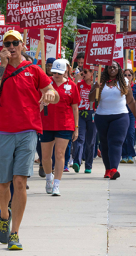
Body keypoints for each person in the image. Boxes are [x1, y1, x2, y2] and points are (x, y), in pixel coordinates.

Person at [0, 30, 59, 250]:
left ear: (23, 45)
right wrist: (1, 65)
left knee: (20, 182)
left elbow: (52, 92)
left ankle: (15, 233)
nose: (11, 46)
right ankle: (4, 215)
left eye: (15, 43)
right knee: (2, 184)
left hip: (28, 131)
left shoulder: (34, 70)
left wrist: (49, 95)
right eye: (7, 43)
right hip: (3, 132)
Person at [89, 61, 136, 180]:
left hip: (120, 116)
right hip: (102, 116)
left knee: (115, 142)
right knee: (105, 144)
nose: (112, 69)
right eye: (109, 67)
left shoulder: (124, 82)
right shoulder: (100, 82)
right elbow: (91, 99)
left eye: (114, 67)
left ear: (119, 69)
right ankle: (107, 169)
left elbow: (131, 101)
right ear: (106, 69)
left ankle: (114, 169)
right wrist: (95, 88)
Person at [40, 59, 80, 195]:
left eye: (59, 72)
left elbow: (75, 108)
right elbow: (37, 103)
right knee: (45, 157)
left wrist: (76, 127)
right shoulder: (45, 84)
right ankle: (48, 177)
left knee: (59, 153)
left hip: (65, 124)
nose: (56, 74)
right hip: (46, 123)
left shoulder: (72, 86)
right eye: (54, 72)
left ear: (65, 71)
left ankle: (57, 184)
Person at [72, 68, 97, 173]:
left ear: (92, 73)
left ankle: (88, 165)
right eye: (82, 72)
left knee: (90, 141)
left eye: (86, 72)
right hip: (81, 113)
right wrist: (75, 80)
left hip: (92, 114)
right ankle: (77, 161)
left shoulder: (95, 85)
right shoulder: (78, 83)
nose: (83, 74)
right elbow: (71, 93)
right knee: (79, 138)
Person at [121, 69, 136, 163]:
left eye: (129, 75)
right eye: (125, 75)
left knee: (130, 133)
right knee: (123, 135)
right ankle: (124, 155)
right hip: (122, 113)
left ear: (132, 77)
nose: (127, 77)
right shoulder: (120, 87)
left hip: (131, 114)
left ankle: (130, 154)